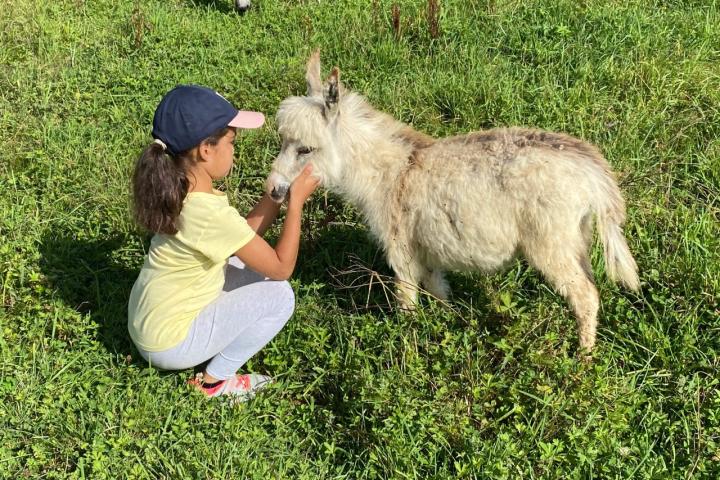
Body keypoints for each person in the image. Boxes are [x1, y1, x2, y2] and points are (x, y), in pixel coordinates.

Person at [128, 84, 319, 400]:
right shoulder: (209, 214)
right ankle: (213, 383)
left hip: (149, 322)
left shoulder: (180, 188)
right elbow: (282, 267)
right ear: (206, 149)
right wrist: (295, 203)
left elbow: (239, 236)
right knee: (279, 295)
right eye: (231, 142)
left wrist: (277, 194)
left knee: (243, 261)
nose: (234, 150)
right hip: (168, 345)